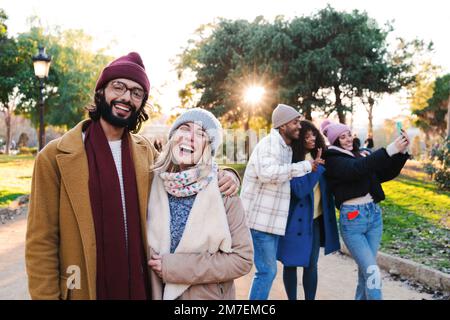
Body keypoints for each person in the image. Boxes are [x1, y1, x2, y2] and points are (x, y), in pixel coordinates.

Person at [25, 52, 239, 300]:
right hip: (84, 289)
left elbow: (185, 173)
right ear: (101, 91)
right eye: (118, 87)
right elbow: (41, 242)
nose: (126, 97)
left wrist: (228, 175)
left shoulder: (146, 151)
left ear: (141, 104)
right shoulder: (54, 158)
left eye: (137, 93)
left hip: (140, 288)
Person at [147, 108, 253, 300]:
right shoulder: (152, 183)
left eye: (201, 134)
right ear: (173, 138)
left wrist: (175, 267)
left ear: (209, 148)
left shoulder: (223, 191)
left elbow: (242, 259)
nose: (190, 137)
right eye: (185, 129)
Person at [240, 104, 323, 300]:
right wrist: (305, 166)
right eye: (295, 123)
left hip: (271, 223)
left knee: (267, 271)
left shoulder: (284, 147)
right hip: (259, 222)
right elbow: (268, 173)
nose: (299, 127)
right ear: (283, 125)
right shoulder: (269, 144)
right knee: (267, 272)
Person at [321, 119, 410, 300]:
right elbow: (356, 169)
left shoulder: (361, 154)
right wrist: (390, 149)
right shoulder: (333, 160)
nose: (347, 139)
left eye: (348, 135)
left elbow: (384, 173)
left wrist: (401, 152)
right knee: (372, 271)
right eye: (341, 137)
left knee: (365, 273)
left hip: (374, 217)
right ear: (335, 141)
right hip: (353, 221)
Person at [277, 120, 340, 300]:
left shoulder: (321, 156)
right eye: (307, 136)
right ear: (299, 139)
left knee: (311, 265)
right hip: (294, 221)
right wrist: (315, 169)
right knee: (290, 264)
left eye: (313, 134)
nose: (312, 138)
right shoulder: (292, 161)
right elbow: (299, 190)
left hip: (314, 221)